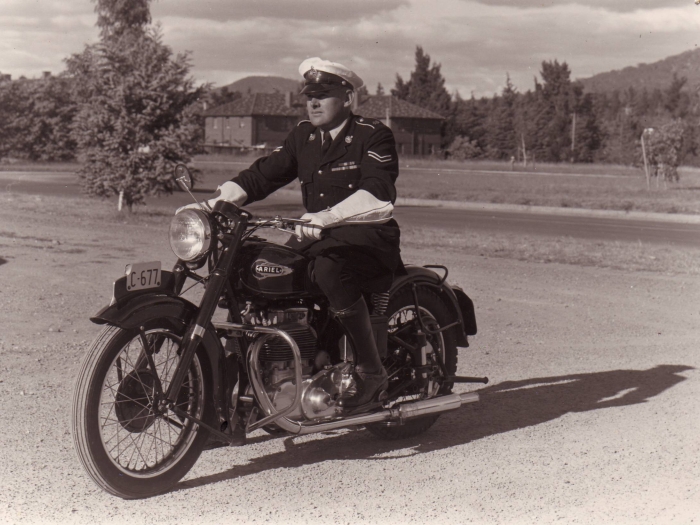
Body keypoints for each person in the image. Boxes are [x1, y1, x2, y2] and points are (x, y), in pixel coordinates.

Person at [184, 58, 401, 408]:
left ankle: (370, 369)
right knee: (252, 265)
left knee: (329, 269)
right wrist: (213, 205)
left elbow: (377, 191)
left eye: (323, 95)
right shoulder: (304, 135)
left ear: (347, 98)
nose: (313, 103)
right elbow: (263, 175)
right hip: (316, 235)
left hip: (365, 237)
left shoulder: (372, 134)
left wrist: (329, 216)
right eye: (309, 96)